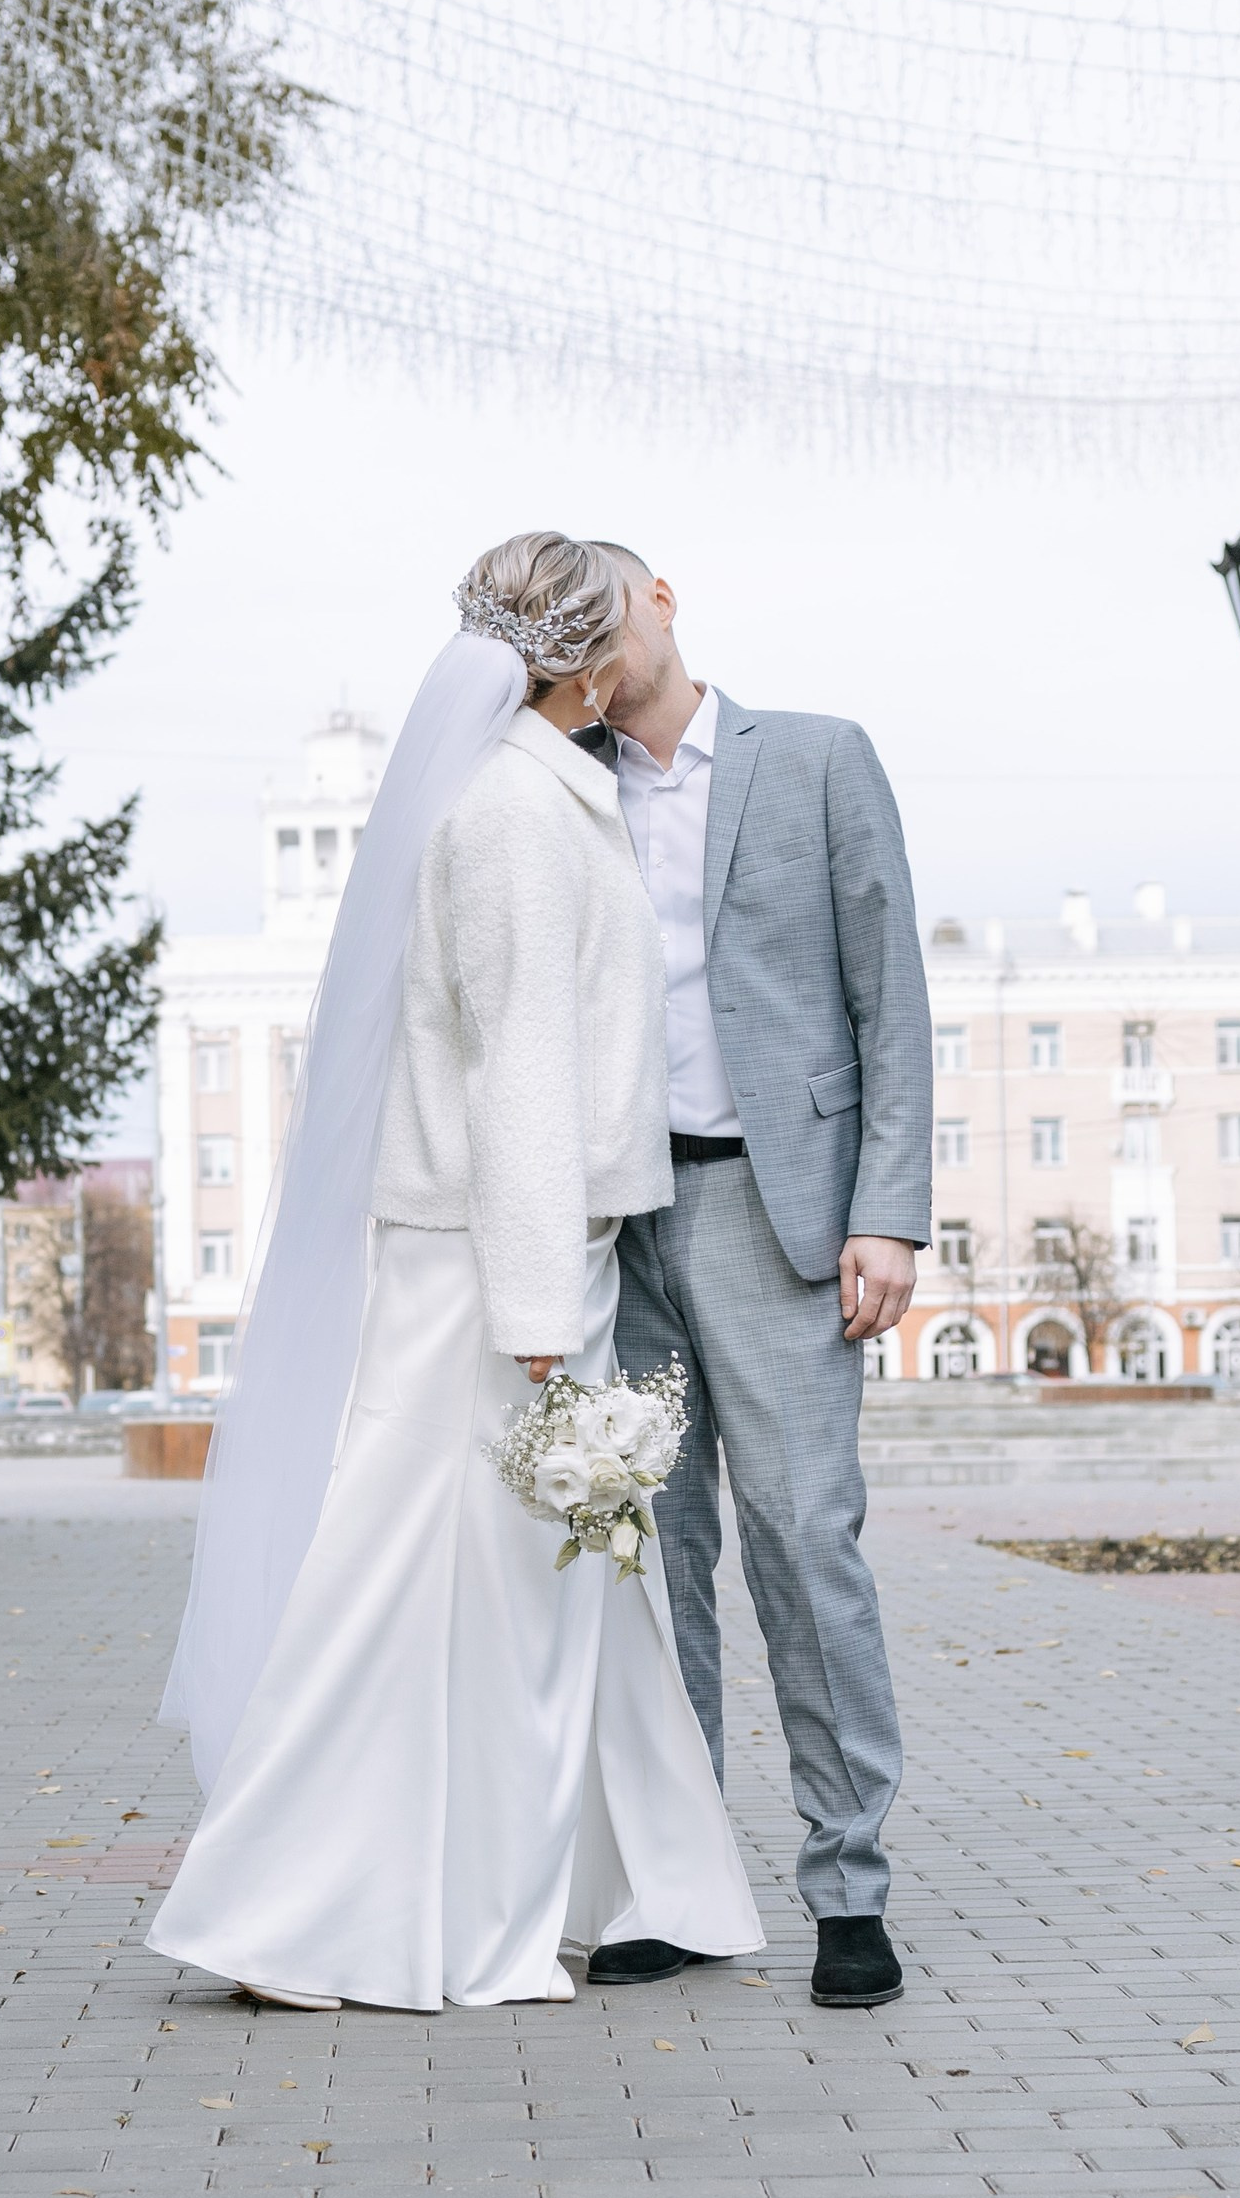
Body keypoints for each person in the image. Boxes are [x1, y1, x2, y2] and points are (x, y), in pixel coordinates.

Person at [151, 533, 763, 2013]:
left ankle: (641, 1886)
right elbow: (522, 1075)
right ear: (586, 655)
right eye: (625, 613)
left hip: (532, 1258)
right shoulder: (511, 816)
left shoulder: (544, 795)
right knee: (448, 1588)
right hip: (498, 1275)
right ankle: (299, 1909)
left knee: (560, 1598)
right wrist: (543, 1321)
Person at [586, 549, 931, 2009]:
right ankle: (675, 1882)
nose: (586, 646)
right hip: (614, 1218)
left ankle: (846, 1882)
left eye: (598, 611)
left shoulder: (817, 760)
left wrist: (890, 1215)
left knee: (800, 1539)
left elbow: (888, 992)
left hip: (770, 1210)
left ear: (661, 599)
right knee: (651, 1567)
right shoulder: (557, 786)